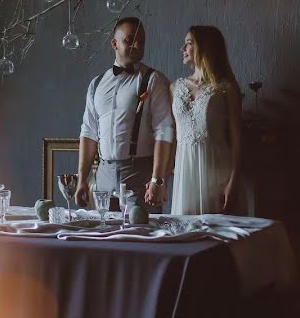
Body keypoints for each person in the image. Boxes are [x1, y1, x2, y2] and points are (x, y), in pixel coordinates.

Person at [76, 17, 173, 213]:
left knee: (142, 238)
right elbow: (88, 133)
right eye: (130, 40)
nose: (136, 45)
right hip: (102, 174)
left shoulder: (154, 80)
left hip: (139, 173)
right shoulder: (96, 84)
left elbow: (164, 130)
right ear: (114, 44)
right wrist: (81, 179)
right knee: (104, 236)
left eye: (141, 41)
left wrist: (157, 179)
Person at [170, 26, 243, 215]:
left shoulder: (225, 88)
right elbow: (168, 133)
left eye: (188, 43)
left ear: (205, 48)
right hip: (185, 172)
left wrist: (233, 181)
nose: (182, 48)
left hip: (216, 169)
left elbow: (237, 136)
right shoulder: (175, 87)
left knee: (215, 234)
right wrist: (158, 179)